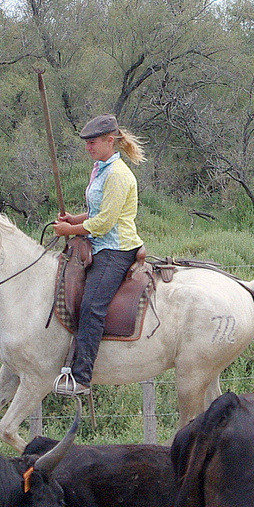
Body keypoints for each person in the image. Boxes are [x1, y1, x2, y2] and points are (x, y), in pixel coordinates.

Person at [52, 113, 146, 397]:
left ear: (109, 141)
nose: (88, 147)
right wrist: (74, 218)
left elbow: (104, 223)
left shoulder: (117, 175)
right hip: (101, 242)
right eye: (86, 142)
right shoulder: (101, 168)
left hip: (116, 248)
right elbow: (96, 212)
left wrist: (69, 231)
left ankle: (81, 377)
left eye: (92, 142)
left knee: (92, 307)